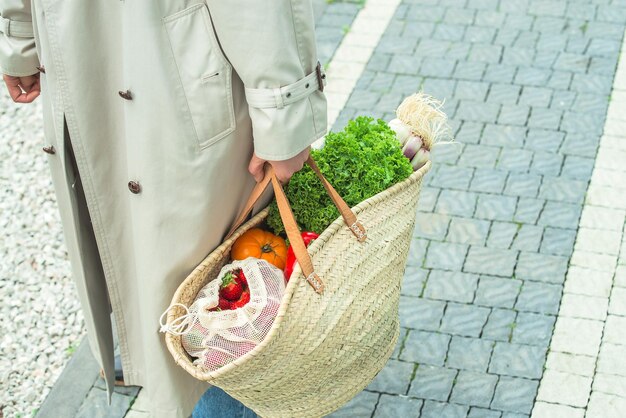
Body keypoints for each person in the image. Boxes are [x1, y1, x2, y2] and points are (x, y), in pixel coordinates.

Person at [0, 1, 327, 417]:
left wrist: (284, 115)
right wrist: (21, 33)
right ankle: (158, 358)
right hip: (82, 46)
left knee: (207, 280)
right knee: (159, 264)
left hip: (173, 63)